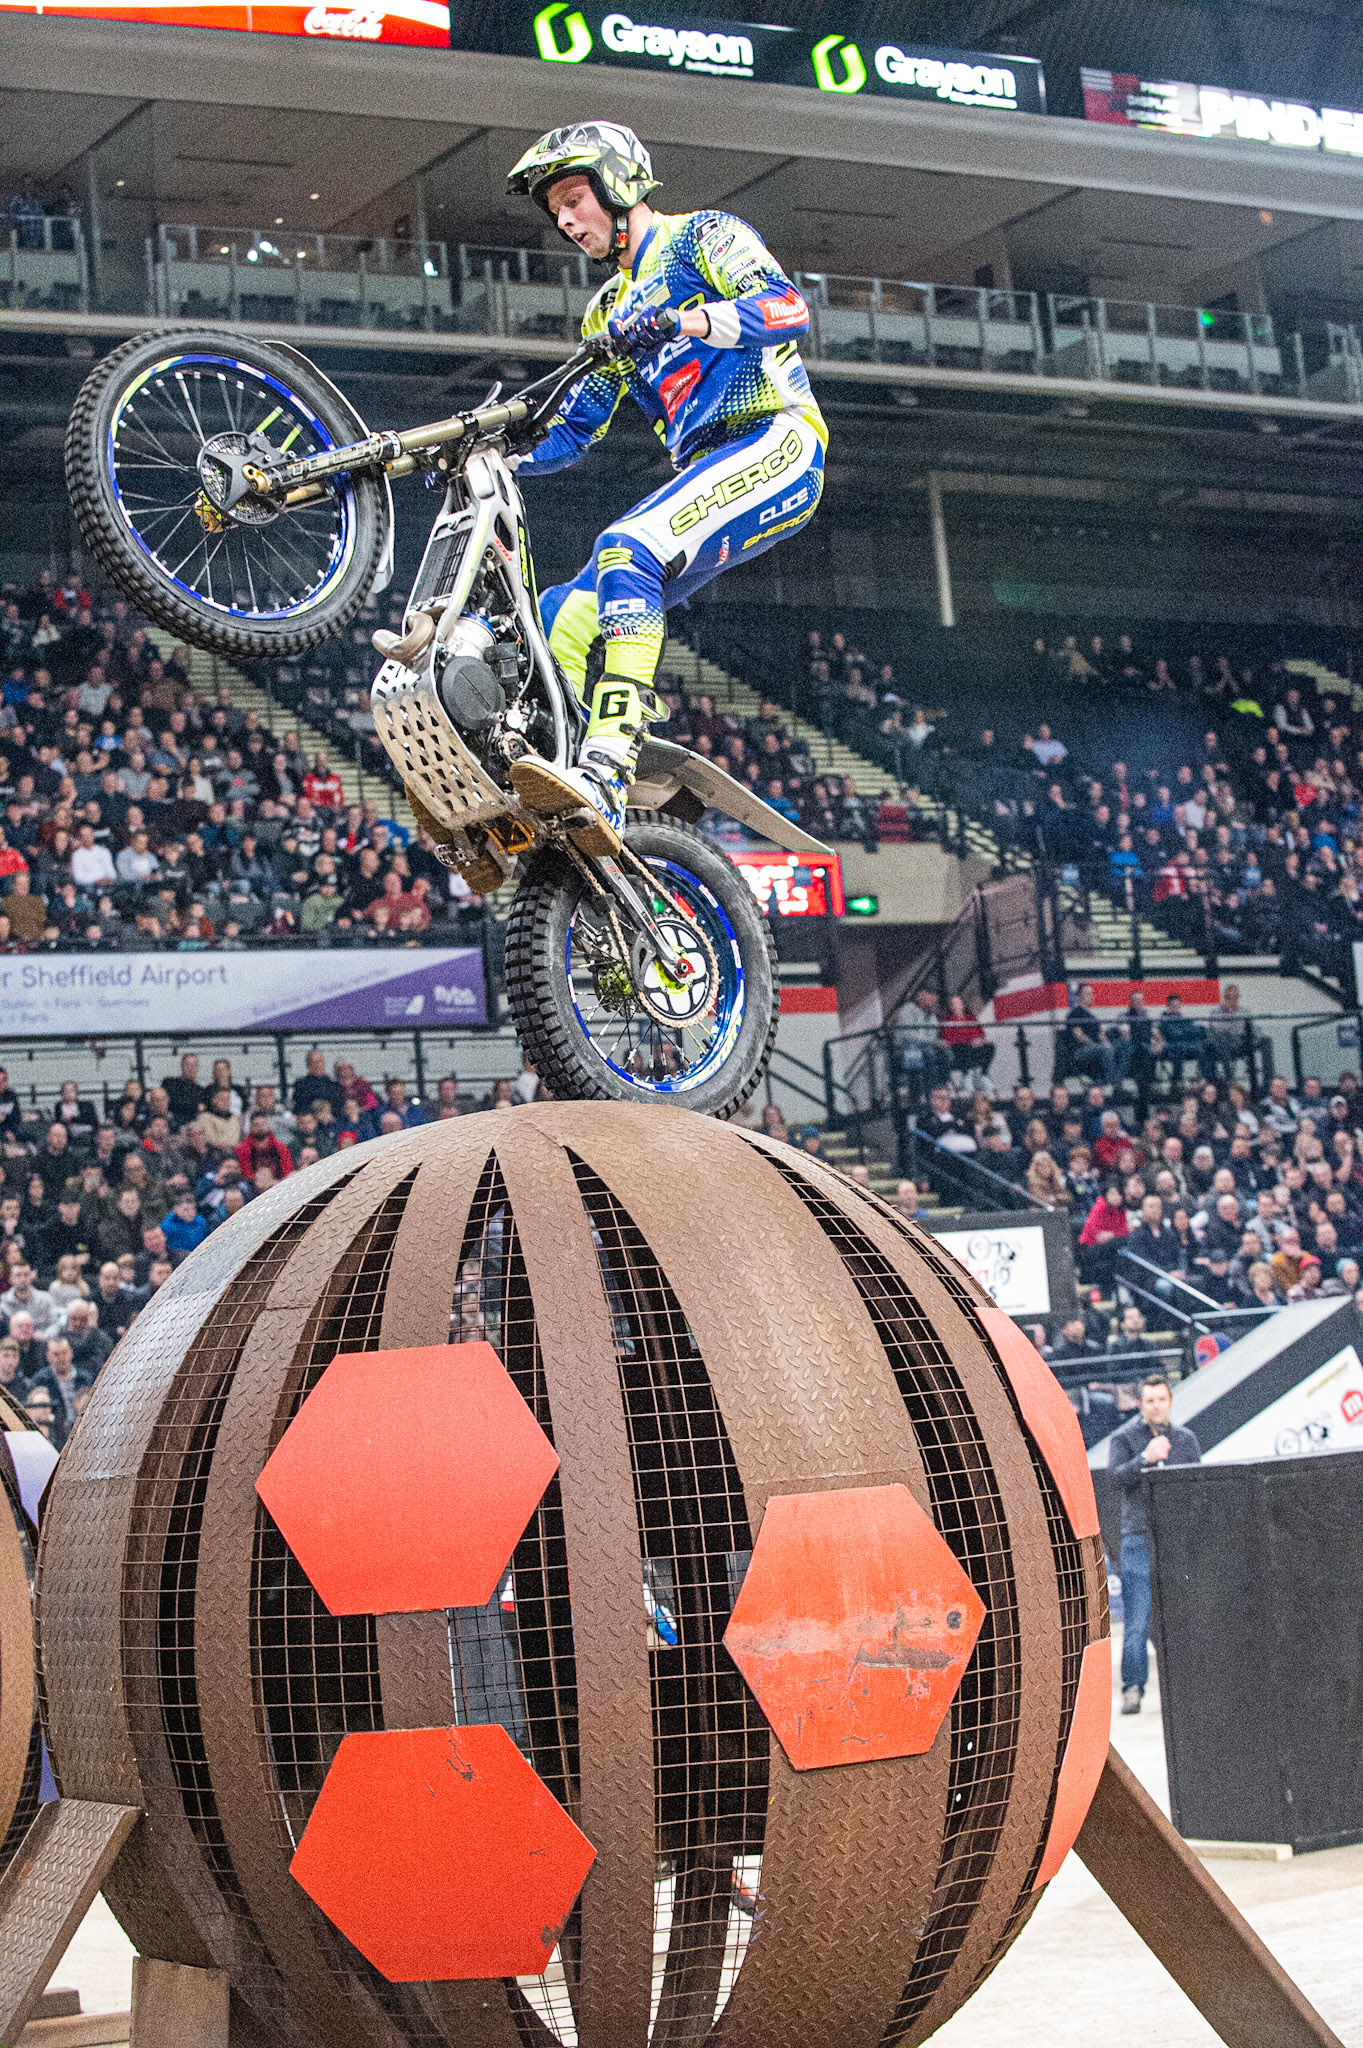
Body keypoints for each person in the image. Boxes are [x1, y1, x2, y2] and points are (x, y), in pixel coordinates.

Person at [470, 122, 826, 851]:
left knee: (624, 549)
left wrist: (682, 320)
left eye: (574, 199)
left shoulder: (702, 236)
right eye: (556, 212)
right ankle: (565, 773)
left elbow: (788, 308)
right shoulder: (606, 311)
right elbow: (575, 429)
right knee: (558, 615)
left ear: (618, 184)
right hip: (704, 470)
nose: (567, 222)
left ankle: (610, 760)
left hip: (775, 438)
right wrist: (499, 457)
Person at [1108, 1375, 1202, 1715]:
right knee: (1137, 1618)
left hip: (1177, 1537)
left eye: (1161, 1399)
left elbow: (1196, 1485)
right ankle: (1133, 1688)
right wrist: (1145, 1458)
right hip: (1139, 1538)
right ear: (1140, 1404)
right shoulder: (1124, 1439)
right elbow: (1114, 1479)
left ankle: (1191, 1685)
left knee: (1185, 1615)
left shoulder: (1186, 1439)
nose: (1156, 1406)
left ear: (1170, 1402)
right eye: (1149, 1400)